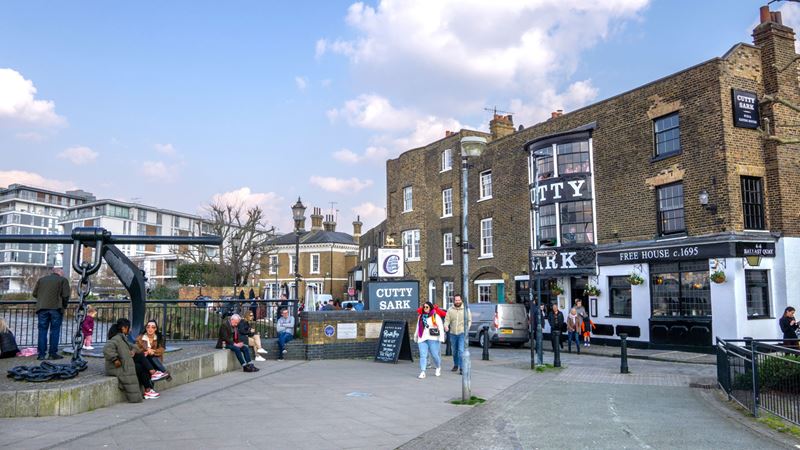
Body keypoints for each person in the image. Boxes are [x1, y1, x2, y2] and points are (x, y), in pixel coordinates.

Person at [103, 318, 159, 401]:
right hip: (116, 367)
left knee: (140, 366)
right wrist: (115, 359)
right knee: (140, 356)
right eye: (129, 327)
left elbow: (135, 347)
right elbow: (106, 349)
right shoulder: (116, 339)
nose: (130, 330)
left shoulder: (123, 338)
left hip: (123, 364)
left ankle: (148, 390)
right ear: (124, 328)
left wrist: (133, 351)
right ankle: (152, 373)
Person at [32, 267, 71, 360]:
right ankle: (52, 354)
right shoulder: (63, 280)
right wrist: (64, 306)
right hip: (56, 309)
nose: (63, 274)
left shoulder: (41, 280)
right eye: (62, 272)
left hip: (42, 309)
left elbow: (34, 294)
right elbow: (66, 295)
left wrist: (42, 299)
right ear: (59, 272)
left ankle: (41, 354)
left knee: (42, 331)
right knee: (55, 331)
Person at [415, 301, 445, 379]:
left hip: (433, 338)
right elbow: (418, 327)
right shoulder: (420, 316)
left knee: (435, 355)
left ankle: (438, 367)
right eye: (424, 307)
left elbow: (441, 328)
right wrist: (416, 336)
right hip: (422, 338)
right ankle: (423, 371)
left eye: (427, 307)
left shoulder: (435, 316)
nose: (425, 308)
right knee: (423, 355)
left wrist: (442, 338)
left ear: (430, 307)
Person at [444, 294, 471, 374]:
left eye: (459, 300)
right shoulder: (450, 310)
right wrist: (446, 326)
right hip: (453, 333)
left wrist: (467, 329)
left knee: (461, 350)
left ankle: (462, 368)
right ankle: (456, 364)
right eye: (456, 300)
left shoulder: (466, 309)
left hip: (462, 333)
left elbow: (469, 320)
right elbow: (447, 320)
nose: (457, 301)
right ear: (454, 301)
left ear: (461, 300)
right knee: (455, 351)